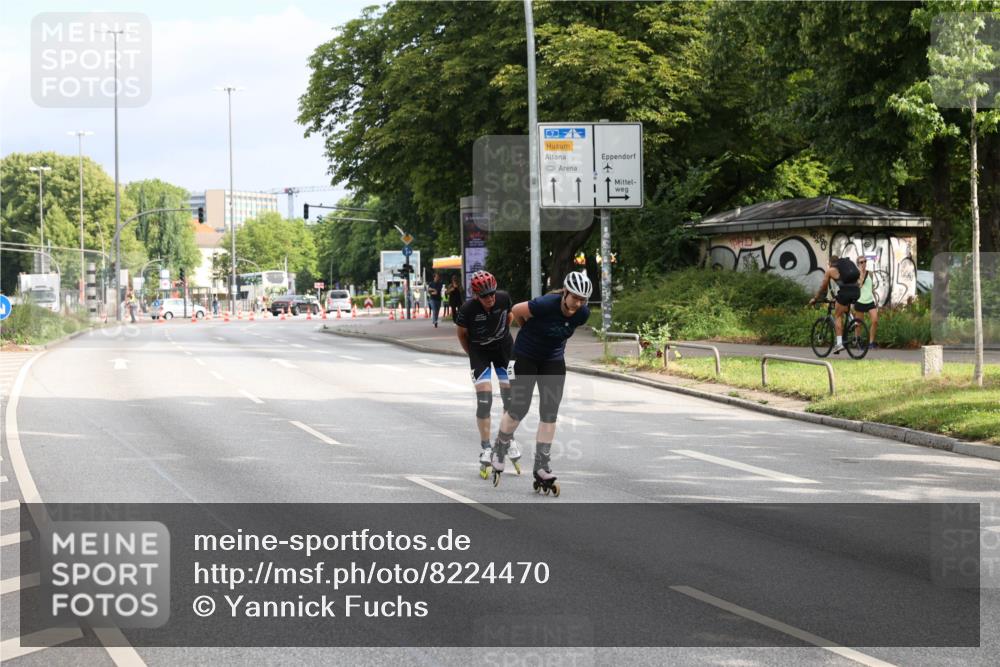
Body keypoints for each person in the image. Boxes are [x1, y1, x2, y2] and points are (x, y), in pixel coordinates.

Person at [490, 271, 592, 497]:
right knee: (519, 408)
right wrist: (528, 329)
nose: (578, 302)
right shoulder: (546, 304)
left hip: (553, 360)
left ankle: (542, 466)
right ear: (565, 292)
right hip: (525, 355)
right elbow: (516, 311)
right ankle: (499, 449)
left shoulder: (582, 313)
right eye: (574, 296)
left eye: (582, 299)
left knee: (549, 414)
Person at [455, 271, 518, 478]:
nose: (490, 298)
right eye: (485, 296)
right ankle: (486, 447)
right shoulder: (467, 310)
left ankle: (508, 440)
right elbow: (462, 335)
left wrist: (498, 337)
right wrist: (473, 353)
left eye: (491, 293)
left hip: (503, 349)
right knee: (484, 400)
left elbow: (509, 317)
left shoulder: (503, 298)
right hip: (479, 351)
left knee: (510, 398)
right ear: (476, 296)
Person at [809, 254, 860, 355]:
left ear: (830, 263)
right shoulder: (845, 268)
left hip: (845, 292)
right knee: (841, 305)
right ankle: (851, 320)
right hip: (856, 291)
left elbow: (823, 286)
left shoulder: (830, 271)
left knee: (837, 315)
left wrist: (815, 298)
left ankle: (839, 343)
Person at [854, 256, 880, 351]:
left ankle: (871, 342)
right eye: (861, 262)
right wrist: (861, 272)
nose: (864, 263)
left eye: (865, 261)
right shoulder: (856, 274)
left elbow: (871, 287)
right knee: (859, 324)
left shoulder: (870, 274)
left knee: (875, 320)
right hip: (860, 301)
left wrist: (876, 299)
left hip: (869, 301)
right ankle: (858, 341)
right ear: (858, 264)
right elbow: (859, 285)